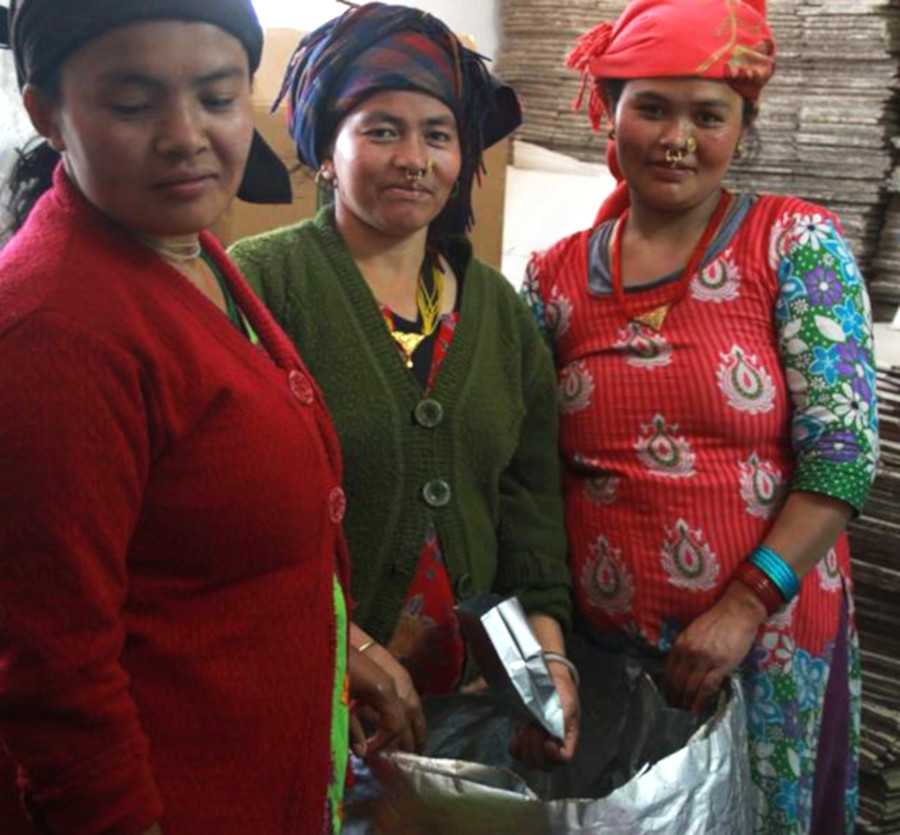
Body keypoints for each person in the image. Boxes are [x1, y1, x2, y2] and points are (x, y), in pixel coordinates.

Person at [0, 2, 421, 834]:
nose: (185, 136)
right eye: (133, 103)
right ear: (47, 113)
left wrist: (339, 647)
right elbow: (54, 673)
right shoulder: (54, 333)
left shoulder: (184, 248)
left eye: (219, 97)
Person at [521, 0, 878, 831]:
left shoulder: (793, 246)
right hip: (607, 660)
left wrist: (744, 606)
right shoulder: (552, 279)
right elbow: (529, 467)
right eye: (652, 108)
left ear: (742, 129)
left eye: (708, 116)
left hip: (767, 650)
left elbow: (841, 457)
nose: (677, 138)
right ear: (609, 113)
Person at [229, 1, 579, 767]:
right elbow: (232, 513)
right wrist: (344, 645)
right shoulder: (260, 289)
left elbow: (528, 504)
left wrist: (548, 655)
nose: (415, 159)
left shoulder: (500, 313)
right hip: (312, 700)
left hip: (469, 710)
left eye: (439, 135)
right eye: (382, 131)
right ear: (326, 150)